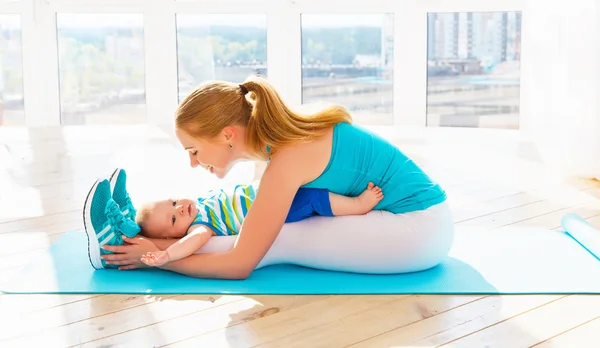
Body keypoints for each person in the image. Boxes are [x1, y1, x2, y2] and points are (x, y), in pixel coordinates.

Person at [87, 75, 454, 278]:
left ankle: (127, 247)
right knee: (261, 230)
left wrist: (159, 254)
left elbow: (239, 264)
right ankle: (141, 234)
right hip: (416, 224)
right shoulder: (285, 142)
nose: (194, 165)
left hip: (415, 230)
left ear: (228, 135)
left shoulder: (288, 159)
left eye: (194, 151)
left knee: (274, 238)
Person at [134, 180, 384, 267]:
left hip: (268, 190)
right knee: (310, 199)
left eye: (174, 201)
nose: (180, 207)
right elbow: (193, 242)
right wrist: (166, 255)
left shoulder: (201, 201)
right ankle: (357, 206)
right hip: (273, 209)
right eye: (175, 218)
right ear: (174, 235)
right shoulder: (200, 225)